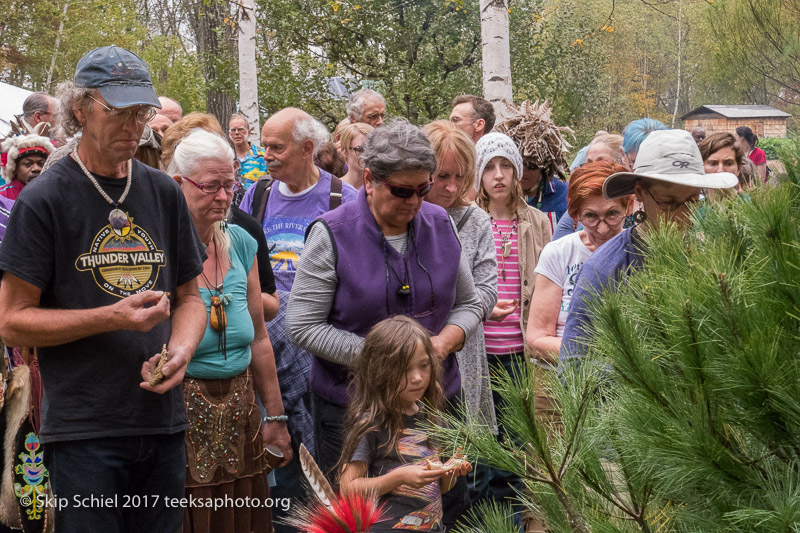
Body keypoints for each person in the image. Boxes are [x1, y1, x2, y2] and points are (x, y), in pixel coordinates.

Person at [0, 45, 208, 532]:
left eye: (142, 112)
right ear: (79, 108)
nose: (134, 126)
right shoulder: (44, 200)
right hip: (84, 430)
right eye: (118, 112)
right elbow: (11, 322)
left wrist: (179, 351)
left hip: (162, 419)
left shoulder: (162, 191)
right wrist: (111, 316)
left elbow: (191, 300)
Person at [285, 119, 482, 528]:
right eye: (402, 191)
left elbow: (470, 303)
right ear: (370, 179)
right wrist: (388, 360)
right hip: (353, 410)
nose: (415, 202)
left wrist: (443, 343)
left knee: (446, 507)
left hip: (434, 405)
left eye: (423, 189)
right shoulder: (332, 234)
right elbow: (302, 325)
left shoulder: (440, 224)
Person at [238, 107, 358, 533]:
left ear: (308, 149)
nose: (265, 154)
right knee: (278, 442)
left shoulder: (343, 198)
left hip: (321, 350)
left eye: (276, 146)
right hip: (267, 346)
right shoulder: (257, 195)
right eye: (263, 145)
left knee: (319, 453)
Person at [168, 129, 291, 533]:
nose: (223, 197)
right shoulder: (160, 251)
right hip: (180, 422)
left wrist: (275, 416)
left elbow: (258, 337)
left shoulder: (239, 241)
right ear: (177, 184)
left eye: (229, 185)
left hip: (241, 418)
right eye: (210, 186)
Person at [560, 129, 738, 363]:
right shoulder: (603, 270)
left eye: (692, 201)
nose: (683, 215)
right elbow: (574, 365)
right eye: (669, 203)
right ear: (640, 192)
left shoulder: (711, 261)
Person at [470, 131, 551, 528]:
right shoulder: (469, 221)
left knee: (522, 444)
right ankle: (489, 521)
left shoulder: (538, 223)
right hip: (480, 355)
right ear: (478, 175)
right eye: (489, 167)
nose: (498, 175)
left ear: (518, 173)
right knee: (484, 447)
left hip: (522, 355)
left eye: (506, 166)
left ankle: (521, 520)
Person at [339, 316, 472, 532]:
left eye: (424, 365)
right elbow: (348, 488)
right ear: (380, 371)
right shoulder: (371, 424)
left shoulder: (435, 419)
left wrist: (450, 472)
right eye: (405, 370)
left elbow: (442, 489)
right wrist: (398, 478)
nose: (418, 377)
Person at [422, 120, 497, 430]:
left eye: (459, 177)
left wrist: (451, 331)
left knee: (462, 452)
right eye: (441, 176)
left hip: (461, 351)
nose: (451, 187)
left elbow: (487, 292)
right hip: (408, 353)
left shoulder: (476, 220)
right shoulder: (401, 216)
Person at [527, 161, 629, 363]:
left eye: (612, 214)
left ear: (629, 207)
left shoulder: (640, 251)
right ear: (575, 214)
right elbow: (538, 339)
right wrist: (604, 355)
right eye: (590, 216)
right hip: (563, 381)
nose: (602, 229)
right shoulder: (559, 253)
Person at [494, 100, 573, 233]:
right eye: (517, 164)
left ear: (545, 164)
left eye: (532, 165)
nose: (523, 171)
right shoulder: (496, 195)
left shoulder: (565, 194)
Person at [553, 134, 624, 241]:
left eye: (600, 162)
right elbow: (558, 245)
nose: (593, 168)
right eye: (589, 163)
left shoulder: (637, 204)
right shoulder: (580, 205)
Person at [0, 126, 54, 200]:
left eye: (41, 164)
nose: (36, 168)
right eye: (28, 164)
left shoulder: (54, 193)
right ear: (14, 169)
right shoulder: (3, 197)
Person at [229, 113, 267, 192]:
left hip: (258, 202)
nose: (236, 133)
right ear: (230, 134)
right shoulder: (226, 158)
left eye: (240, 129)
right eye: (233, 130)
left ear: (249, 133)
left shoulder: (264, 154)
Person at [339, 121, 374, 189]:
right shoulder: (333, 188)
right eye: (360, 149)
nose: (368, 155)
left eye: (372, 149)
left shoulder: (382, 189)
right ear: (344, 151)